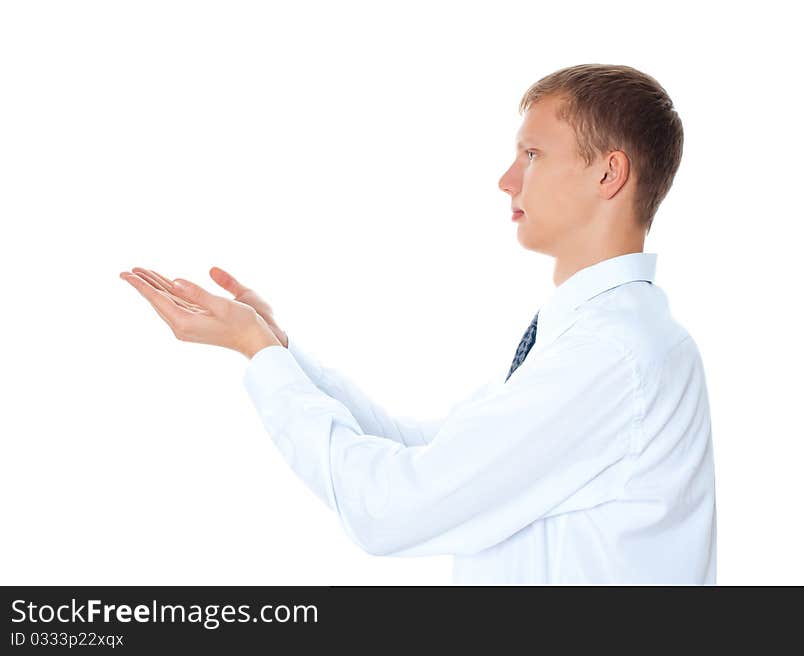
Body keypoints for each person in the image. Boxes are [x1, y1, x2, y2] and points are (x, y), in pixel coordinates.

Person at [120, 63, 716, 584]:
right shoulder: (593, 339)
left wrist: (260, 354)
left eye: (532, 155)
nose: (507, 180)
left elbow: (394, 508)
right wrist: (277, 348)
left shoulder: (610, 355)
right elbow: (430, 450)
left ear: (608, 174)